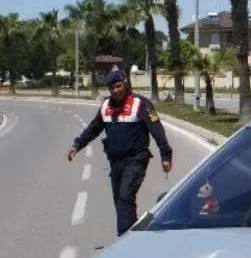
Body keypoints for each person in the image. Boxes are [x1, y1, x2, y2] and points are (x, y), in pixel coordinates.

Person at [68, 70, 173, 236]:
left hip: (136, 159)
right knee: (120, 201)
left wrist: (166, 155)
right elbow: (93, 128)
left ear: (125, 83)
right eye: (112, 88)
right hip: (115, 161)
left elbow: (157, 130)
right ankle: (132, 234)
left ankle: (124, 237)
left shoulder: (141, 104)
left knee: (125, 197)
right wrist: (77, 145)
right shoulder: (106, 107)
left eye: (118, 86)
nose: (115, 90)